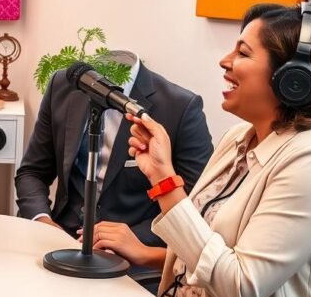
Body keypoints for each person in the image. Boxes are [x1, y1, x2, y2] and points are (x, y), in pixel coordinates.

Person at [102, 3, 311, 297]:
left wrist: (165, 181)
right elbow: (215, 253)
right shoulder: (237, 138)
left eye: (243, 53)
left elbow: (239, 288)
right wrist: (150, 255)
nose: (224, 62)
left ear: (293, 78)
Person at [15, 51, 213, 249]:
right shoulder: (64, 85)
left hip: (132, 252)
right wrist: (42, 220)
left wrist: (133, 241)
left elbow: (198, 202)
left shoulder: (180, 107)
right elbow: (32, 172)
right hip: (60, 240)